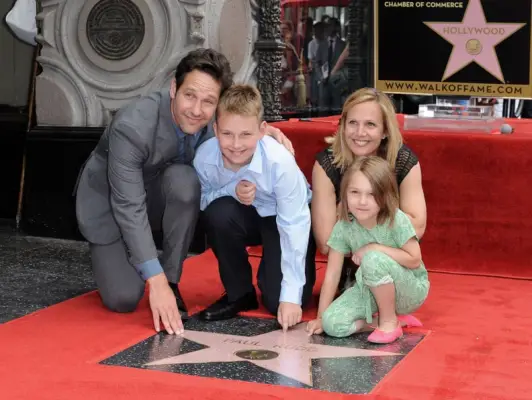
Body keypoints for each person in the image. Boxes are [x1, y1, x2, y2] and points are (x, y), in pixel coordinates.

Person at [74, 48, 294, 336]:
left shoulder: (210, 123)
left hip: (158, 197)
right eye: (189, 95)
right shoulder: (132, 126)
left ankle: (172, 278)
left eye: (208, 102)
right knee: (123, 299)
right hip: (110, 206)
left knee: (185, 180)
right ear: (174, 88)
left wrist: (267, 133)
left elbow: (236, 130)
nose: (196, 109)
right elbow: (128, 205)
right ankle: (139, 263)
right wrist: (154, 280)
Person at [193, 84, 316, 330]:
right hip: (243, 214)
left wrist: (290, 298)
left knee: (278, 299)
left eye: (245, 135)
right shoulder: (204, 157)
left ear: (262, 131)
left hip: (282, 217)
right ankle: (239, 292)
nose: (236, 144)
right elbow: (202, 200)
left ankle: (274, 277)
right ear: (215, 130)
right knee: (218, 213)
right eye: (227, 134)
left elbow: (294, 224)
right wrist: (231, 191)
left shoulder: (280, 162)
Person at [312, 87, 427, 291]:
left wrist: (350, 213)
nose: (359, 133)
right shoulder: (327, 163)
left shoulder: (402, 161)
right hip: (346, 268)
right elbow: (325, 242)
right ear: (343, 126)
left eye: (370, 125)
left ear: (385, 131)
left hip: (391, 265)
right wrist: (388, 222)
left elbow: (416, 227)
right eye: (353, 123)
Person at [306, 156, 430, 344]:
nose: (362, 201)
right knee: (332, 324)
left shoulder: (396, 219)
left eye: (372, 194)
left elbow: (414, 259)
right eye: (355, 192)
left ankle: (389, 322)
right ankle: (384, 320)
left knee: (372, 258)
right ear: (345, 193)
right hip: (370, 287)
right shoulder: (344, 226)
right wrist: (321, 317)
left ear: (385, 195)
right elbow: (332, 274)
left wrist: (375, 248)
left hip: (409, 289)